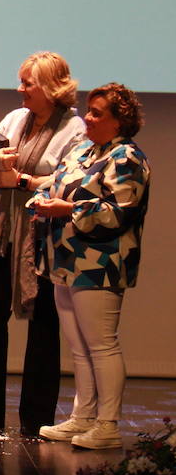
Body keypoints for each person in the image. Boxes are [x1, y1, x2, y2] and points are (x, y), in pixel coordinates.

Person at [0, 52, 85, 435]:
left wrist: (22, 181)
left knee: (43, 325)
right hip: (8, 236)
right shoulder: (15, 118)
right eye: (21, 81)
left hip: (47, 240)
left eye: (28, 83)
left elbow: (71, 181)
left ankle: (37, 417)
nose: (19, 89)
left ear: (51, 88)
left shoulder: (74, 130)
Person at [33, 83, 150, 450]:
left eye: (98, 113)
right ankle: (83, 417)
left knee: (102, 345)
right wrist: (41, 196)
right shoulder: (85, 149)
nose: (88, 116)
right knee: (79, 347)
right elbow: (56, 182)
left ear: (120, 121)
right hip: (66, 259)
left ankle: (108, 424)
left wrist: (67, 210)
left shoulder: (127, 158)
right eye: (90, 109)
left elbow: (122, 212)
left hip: (100, 263)